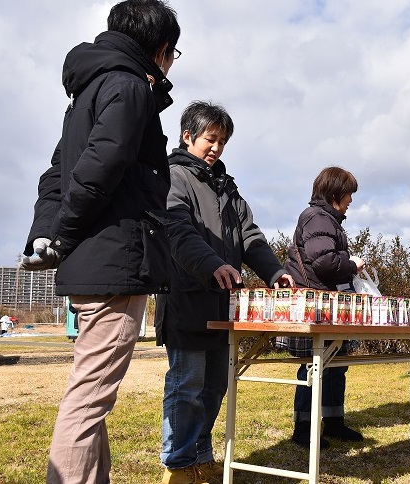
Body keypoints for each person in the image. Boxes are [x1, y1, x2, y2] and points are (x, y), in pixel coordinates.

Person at [18, 1, 181, 482]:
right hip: (114, 260)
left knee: (90, 396)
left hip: (92, 262)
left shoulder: (86, 92)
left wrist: (46, 233)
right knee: (88, 401)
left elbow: (56, 172)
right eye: (173, 54)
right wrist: (62, 233)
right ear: (161, 49)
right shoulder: (131, 87)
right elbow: (97, 170)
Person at [155, 101, 294, 484]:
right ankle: (178, 465)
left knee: (216, 385)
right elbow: (178, 233)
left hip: (224, 304)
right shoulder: (172, 177)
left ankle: (202, 456)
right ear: (188, 136)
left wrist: (275, 272)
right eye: (210, 139)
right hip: (185, 299)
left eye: (222, 141)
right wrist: (211, 264)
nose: (216, 147)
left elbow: (250, 236)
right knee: (187, 386)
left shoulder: (227, 187)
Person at [278, 166, 365, 449]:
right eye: (349, 194)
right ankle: (303, 428)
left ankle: (333, 422)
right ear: (335, 193)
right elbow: (325, 264)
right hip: (315, 304)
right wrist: (353, 265)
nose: (351, 200)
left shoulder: (325, 218)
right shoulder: (318, 218)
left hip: (326, 302)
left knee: (335, 364)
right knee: (312, 366)